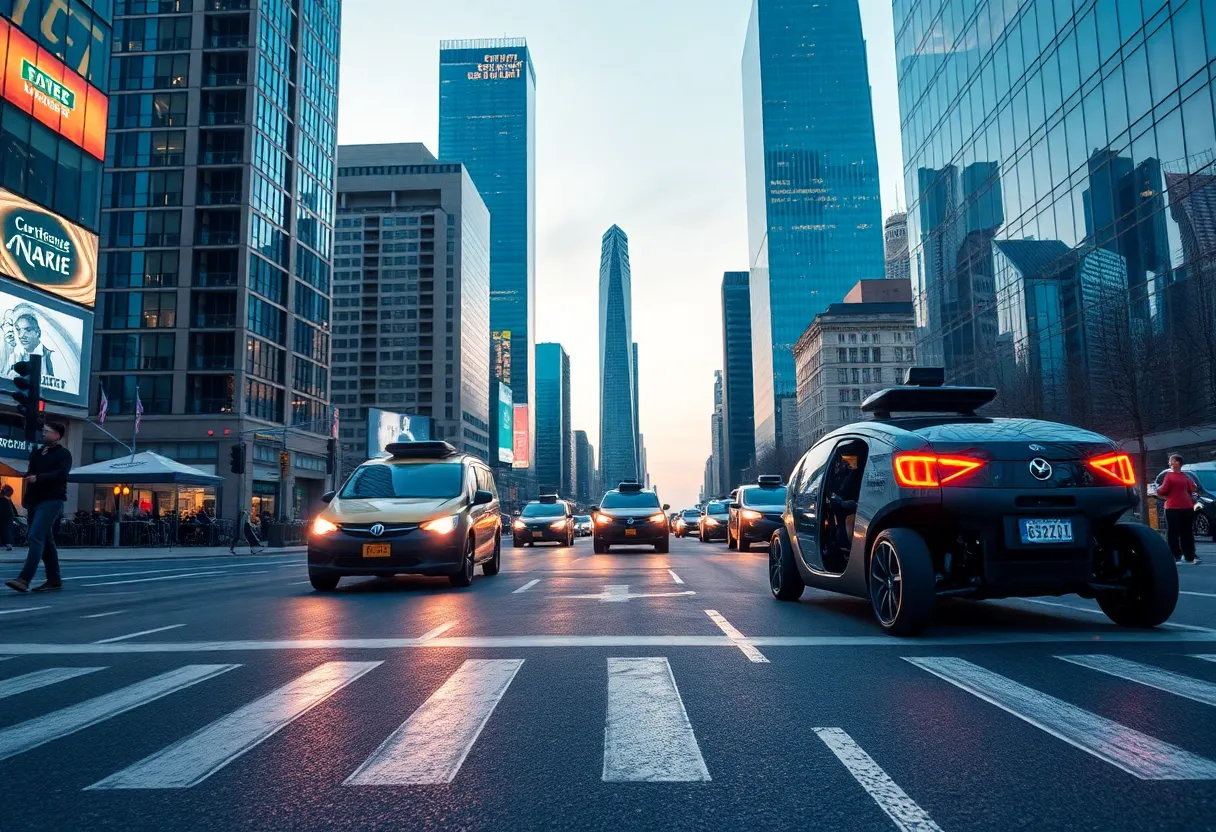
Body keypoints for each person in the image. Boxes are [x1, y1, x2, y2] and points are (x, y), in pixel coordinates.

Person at [5, 421, 72, 593]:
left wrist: (39, 477)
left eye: (47, 431)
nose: (44, 434)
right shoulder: (37, 453)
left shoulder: (63, 454)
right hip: (35, 501)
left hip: (52, 501)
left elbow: (61, 474)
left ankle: (24, 578)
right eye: (43, 431)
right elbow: (31, 472)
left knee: (35, 536)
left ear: (57, 435)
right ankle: (54, 579)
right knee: (46, 540)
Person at [1157, 453, 1201, 566]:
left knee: (1173, 533)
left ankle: (1175, 555)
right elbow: (1193, 489)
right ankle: (1190, 556)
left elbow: (1163, 490)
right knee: (1187, 533)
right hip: (1187, 508)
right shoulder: (1186, 476)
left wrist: (1157, 490)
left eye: (1171, 460)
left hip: (1173, 507)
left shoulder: (1169, 476)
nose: (1169, 463)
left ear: (1177, 463)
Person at [0, 484, 16, 551]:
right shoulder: (6, 500)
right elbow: (12, 510)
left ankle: (6, 543)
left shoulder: (3, 499)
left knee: (4, 530)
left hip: (3, 517)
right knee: (7, 530)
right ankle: (8, 543)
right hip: (7, 518)